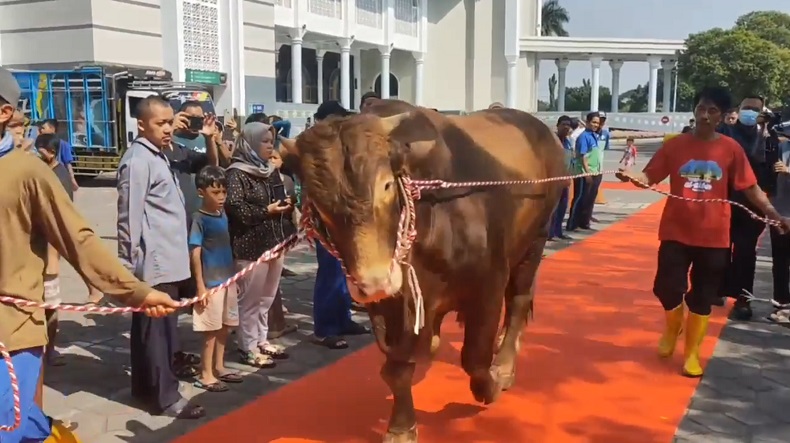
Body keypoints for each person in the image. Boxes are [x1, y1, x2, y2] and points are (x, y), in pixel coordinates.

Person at [0, 66, 179, 443]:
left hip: (9, 333)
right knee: (26, 426)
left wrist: (135, 291)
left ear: (3, 113)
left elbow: (78, 238)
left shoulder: (25, 172)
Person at [616, 86, 790, 378]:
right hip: (675, 231)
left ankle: (692, 353)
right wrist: (635, 177)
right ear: (694, 111)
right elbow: (649, 176)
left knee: (703, 295)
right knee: (666, 287)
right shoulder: (674, 145)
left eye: (712, 111)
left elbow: (750, 187)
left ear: (721, 117)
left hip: (714, 235)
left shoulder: (731, 149)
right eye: (700, 108)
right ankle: (673, 325)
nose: (705, 115)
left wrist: (773, 214)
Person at [117, 95, 207, 419]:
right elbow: (129, 217)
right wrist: (127, 269)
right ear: (141, 124)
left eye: (171, 122)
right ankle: (167, 397)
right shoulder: (138, 160)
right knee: (160, 334)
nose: (168, 129)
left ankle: (144, 388)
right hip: (155, 264)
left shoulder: (160, 155)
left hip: (170, 259)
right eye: (161, 123)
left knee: (149, 330)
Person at [225, 122, 295, 366]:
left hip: (273, 242)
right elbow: (236, 208)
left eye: (271, 141)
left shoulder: (269, 169)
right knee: (250, 300)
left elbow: (279, 198)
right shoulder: (237, 172)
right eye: (265, 141)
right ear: (251, 143)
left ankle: (261, 340)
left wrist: (286, 204)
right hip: (250, 246)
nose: (270, 146)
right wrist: (267, 210)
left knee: (267, 297)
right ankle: (247, 346)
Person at [307, 101, 370, 349]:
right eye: (336, 120)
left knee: (345, 273)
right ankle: (324, 329)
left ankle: (343, 319)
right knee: (329, 274)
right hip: (327, 220)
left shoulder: (340, 147)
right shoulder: (315, 149)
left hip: (346, 219)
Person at [719, 96, 775, 320]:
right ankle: (718, 289)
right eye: (746, 108)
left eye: (755, 109)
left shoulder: (768, 138)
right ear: (739, 110)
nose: (750, 112)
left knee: (745, 253)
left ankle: (743, 299)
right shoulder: (726, 133)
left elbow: (771, 169)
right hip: (725, 201)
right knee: (720, 249)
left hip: (753, 205)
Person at [189, 166, 243, 391]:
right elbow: (195, 251)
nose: (221, 197)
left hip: (227, 280)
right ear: (202, 193)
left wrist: (234, 279)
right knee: (210, 330)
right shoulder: (199, 219)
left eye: (224, 192)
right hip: (211, 284)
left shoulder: (223, 215)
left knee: (225, 326)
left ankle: (219, 366)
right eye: (215, 192)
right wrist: (200, 286)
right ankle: (206, 373)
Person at [33, 134, 73, 367]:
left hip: (49, 250)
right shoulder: (53, 174)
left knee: (50, 303)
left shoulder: (53, 177)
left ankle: (48, 351)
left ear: (48, 152)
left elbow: (58, 220)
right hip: (41, 251)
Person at [566, 111, 602, 232]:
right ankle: (572, 224)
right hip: (584, 173)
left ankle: (583, 223)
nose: (596, 125)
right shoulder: (584, 136)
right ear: (587, 122)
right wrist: (587, 173)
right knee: (579, 198)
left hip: (594, 172)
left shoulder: (593, 136)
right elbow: (583, 157)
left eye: (597, 123)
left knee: (588, 199)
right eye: (593, 122)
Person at [769, 137, 790, 324]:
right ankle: (781, 303)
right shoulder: (781, 147)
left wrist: (788, 171)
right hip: (780, 212)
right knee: (780, 261)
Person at [548, 115, 573, 241]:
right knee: (553, 208)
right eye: (563, 124)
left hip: (565, 181)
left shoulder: (568, 142)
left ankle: (559, 231)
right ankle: (549, 233)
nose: (566, 127)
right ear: (558, 126)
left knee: (563, 207)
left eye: (568, 125)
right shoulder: (552, 141)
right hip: (554, 181)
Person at [38, 119, 79, 191]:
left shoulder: (63, 144)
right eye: (40, 128)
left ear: (52, 129)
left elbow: (68, 164)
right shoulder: (39, 143)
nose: (41, 130)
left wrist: (72, 179)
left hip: (58, 177)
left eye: (43, 128)